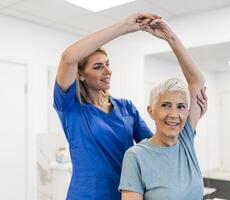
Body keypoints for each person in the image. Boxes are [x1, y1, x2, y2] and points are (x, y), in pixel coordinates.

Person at [53, 13, 162, 200]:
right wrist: (124, 27)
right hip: (86, 195)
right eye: (98, 67)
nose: (108, 71)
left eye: (107, 64)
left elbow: (152, 146)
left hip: (125, 193)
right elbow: (68, 57)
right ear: (80, 75)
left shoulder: (126, 108)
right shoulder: (71, 107)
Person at [119, 18, 207, 200]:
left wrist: (170, 37)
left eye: (181, 107)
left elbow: (197, 81)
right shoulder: (136, 156)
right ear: (151, 111)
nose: (174, 114)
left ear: (187, 112)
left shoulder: (185, 141)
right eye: (165, 105)